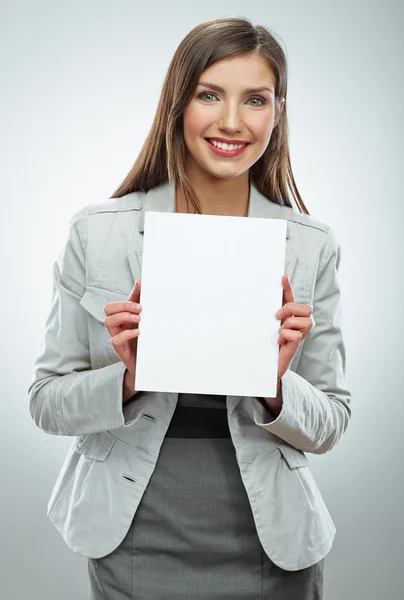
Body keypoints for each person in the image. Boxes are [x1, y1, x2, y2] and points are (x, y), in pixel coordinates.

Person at [28, 16, 351, 600]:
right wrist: (125, 378)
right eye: (210, 95)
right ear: (179, 104)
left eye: (255, 99)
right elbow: (46, 403)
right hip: (131, 527)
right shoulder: (98, 233)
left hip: (269, 535)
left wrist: (276, 385)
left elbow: (330, 423)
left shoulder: (311, 245)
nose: (232, 121)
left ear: (278, 112)